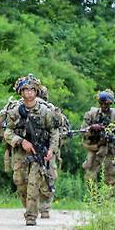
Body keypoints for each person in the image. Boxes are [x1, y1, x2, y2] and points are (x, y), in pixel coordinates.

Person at [3, 75, 59, 226]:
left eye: (32, 90)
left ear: (36, 92)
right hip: (21, 153)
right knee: (20, 182)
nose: (28, 93)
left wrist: (51, 150)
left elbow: (54, 131)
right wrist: (21, 141)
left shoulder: (44, 111)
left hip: (38, 152)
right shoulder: (15, 111)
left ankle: (31, 216)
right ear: (21, 92)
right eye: (25, 90)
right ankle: (29, 207)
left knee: (33, 184)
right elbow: (7, 132)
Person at [36, 85, 70, 218]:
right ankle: (33, 206)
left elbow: (64, 130)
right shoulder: (24, 109)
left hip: (49, 148)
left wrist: (55, 143)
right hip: (31, 147)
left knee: (49, 177)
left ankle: (44, 208)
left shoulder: (52, 111)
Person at [81, 89, 115, 189]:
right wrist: (92, 128)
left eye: (106, 104)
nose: (104, 106)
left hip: (109, 149)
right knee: (89, 175)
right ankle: (94, 200)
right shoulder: (92, 114)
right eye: (101, 103)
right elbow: (83, 130)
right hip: (95, 147)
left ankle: (109, 202)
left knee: (110, 177)